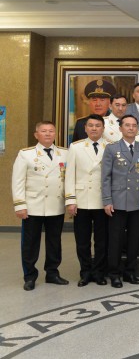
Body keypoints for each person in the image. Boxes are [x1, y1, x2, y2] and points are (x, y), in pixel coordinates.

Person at [12, 121, 68, 291]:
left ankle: (52, 273)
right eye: (43, 131)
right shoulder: (26, 154)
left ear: (56, 134)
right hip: (33, 205)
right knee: (30, 243)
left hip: (55, 204)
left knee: (54, 242)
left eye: (51, 131)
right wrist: (20, 205)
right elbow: (18, 181)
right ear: (36, 135)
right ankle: (30, 276)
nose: (48, 134)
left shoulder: (65, 153)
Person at [101, 114, 139, 288]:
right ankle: (114, 273)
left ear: (138, 129)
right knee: (116, 240)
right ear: (120, 128)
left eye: (134, 125)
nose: (131, 128)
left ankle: (130, 272)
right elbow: (105, 177)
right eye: (127, 125)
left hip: (137, 200)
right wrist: (107, 200)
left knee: (134, 240)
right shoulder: (112, 148)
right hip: (118, 200)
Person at [65, 114, 109, 287]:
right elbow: (69, 175)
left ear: (103, 128)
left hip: (102, 200)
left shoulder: (111, 146)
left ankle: (99, 272)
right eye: (90, 125)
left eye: (98, 126)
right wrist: (70, 199)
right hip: (81, 199)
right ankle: (85, 272)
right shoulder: (75, 147)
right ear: (85, 128)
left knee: (101, 240)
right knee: (82, 241)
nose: (94, 128)